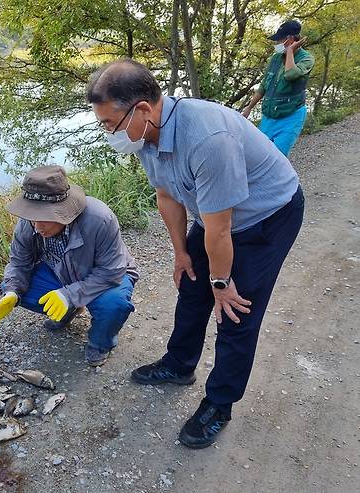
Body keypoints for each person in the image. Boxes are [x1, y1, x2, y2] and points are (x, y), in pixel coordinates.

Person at [87, 59, 304, 448]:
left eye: (109, 124)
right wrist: (180, 252)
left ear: (142, 109)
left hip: (266, 215)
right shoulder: (145, 134)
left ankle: (220, 404)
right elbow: (167, 194)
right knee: (191, 287)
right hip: (215, 213)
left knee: (235, 309)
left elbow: (221, 229)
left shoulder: (207, 138)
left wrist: (221, 283)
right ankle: (179, 364)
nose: (108, 134)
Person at [0, 165, 139, 366]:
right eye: (33, 218)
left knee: (114, 304)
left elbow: (112, 271)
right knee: (18, 290)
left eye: (45, 219)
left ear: (65, 211)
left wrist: (68, 294)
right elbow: (19, 263)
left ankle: (100, 342)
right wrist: (12, 292)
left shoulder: (99, 218)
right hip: (61, 272)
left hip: (107, 274)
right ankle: (68, 310)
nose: (38, 227)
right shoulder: (28, 224)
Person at [242, 20, 314, 156]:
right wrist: (249, 107)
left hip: (290, 116)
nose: (276, 44)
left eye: (279, 40)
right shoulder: (275, 58)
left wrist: (290, 52)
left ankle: (282, 177)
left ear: (290, 39)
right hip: (269, 117)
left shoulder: (306, 59)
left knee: (277, 157)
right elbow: (264, 84)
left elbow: (291, 74)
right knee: (259, 155)